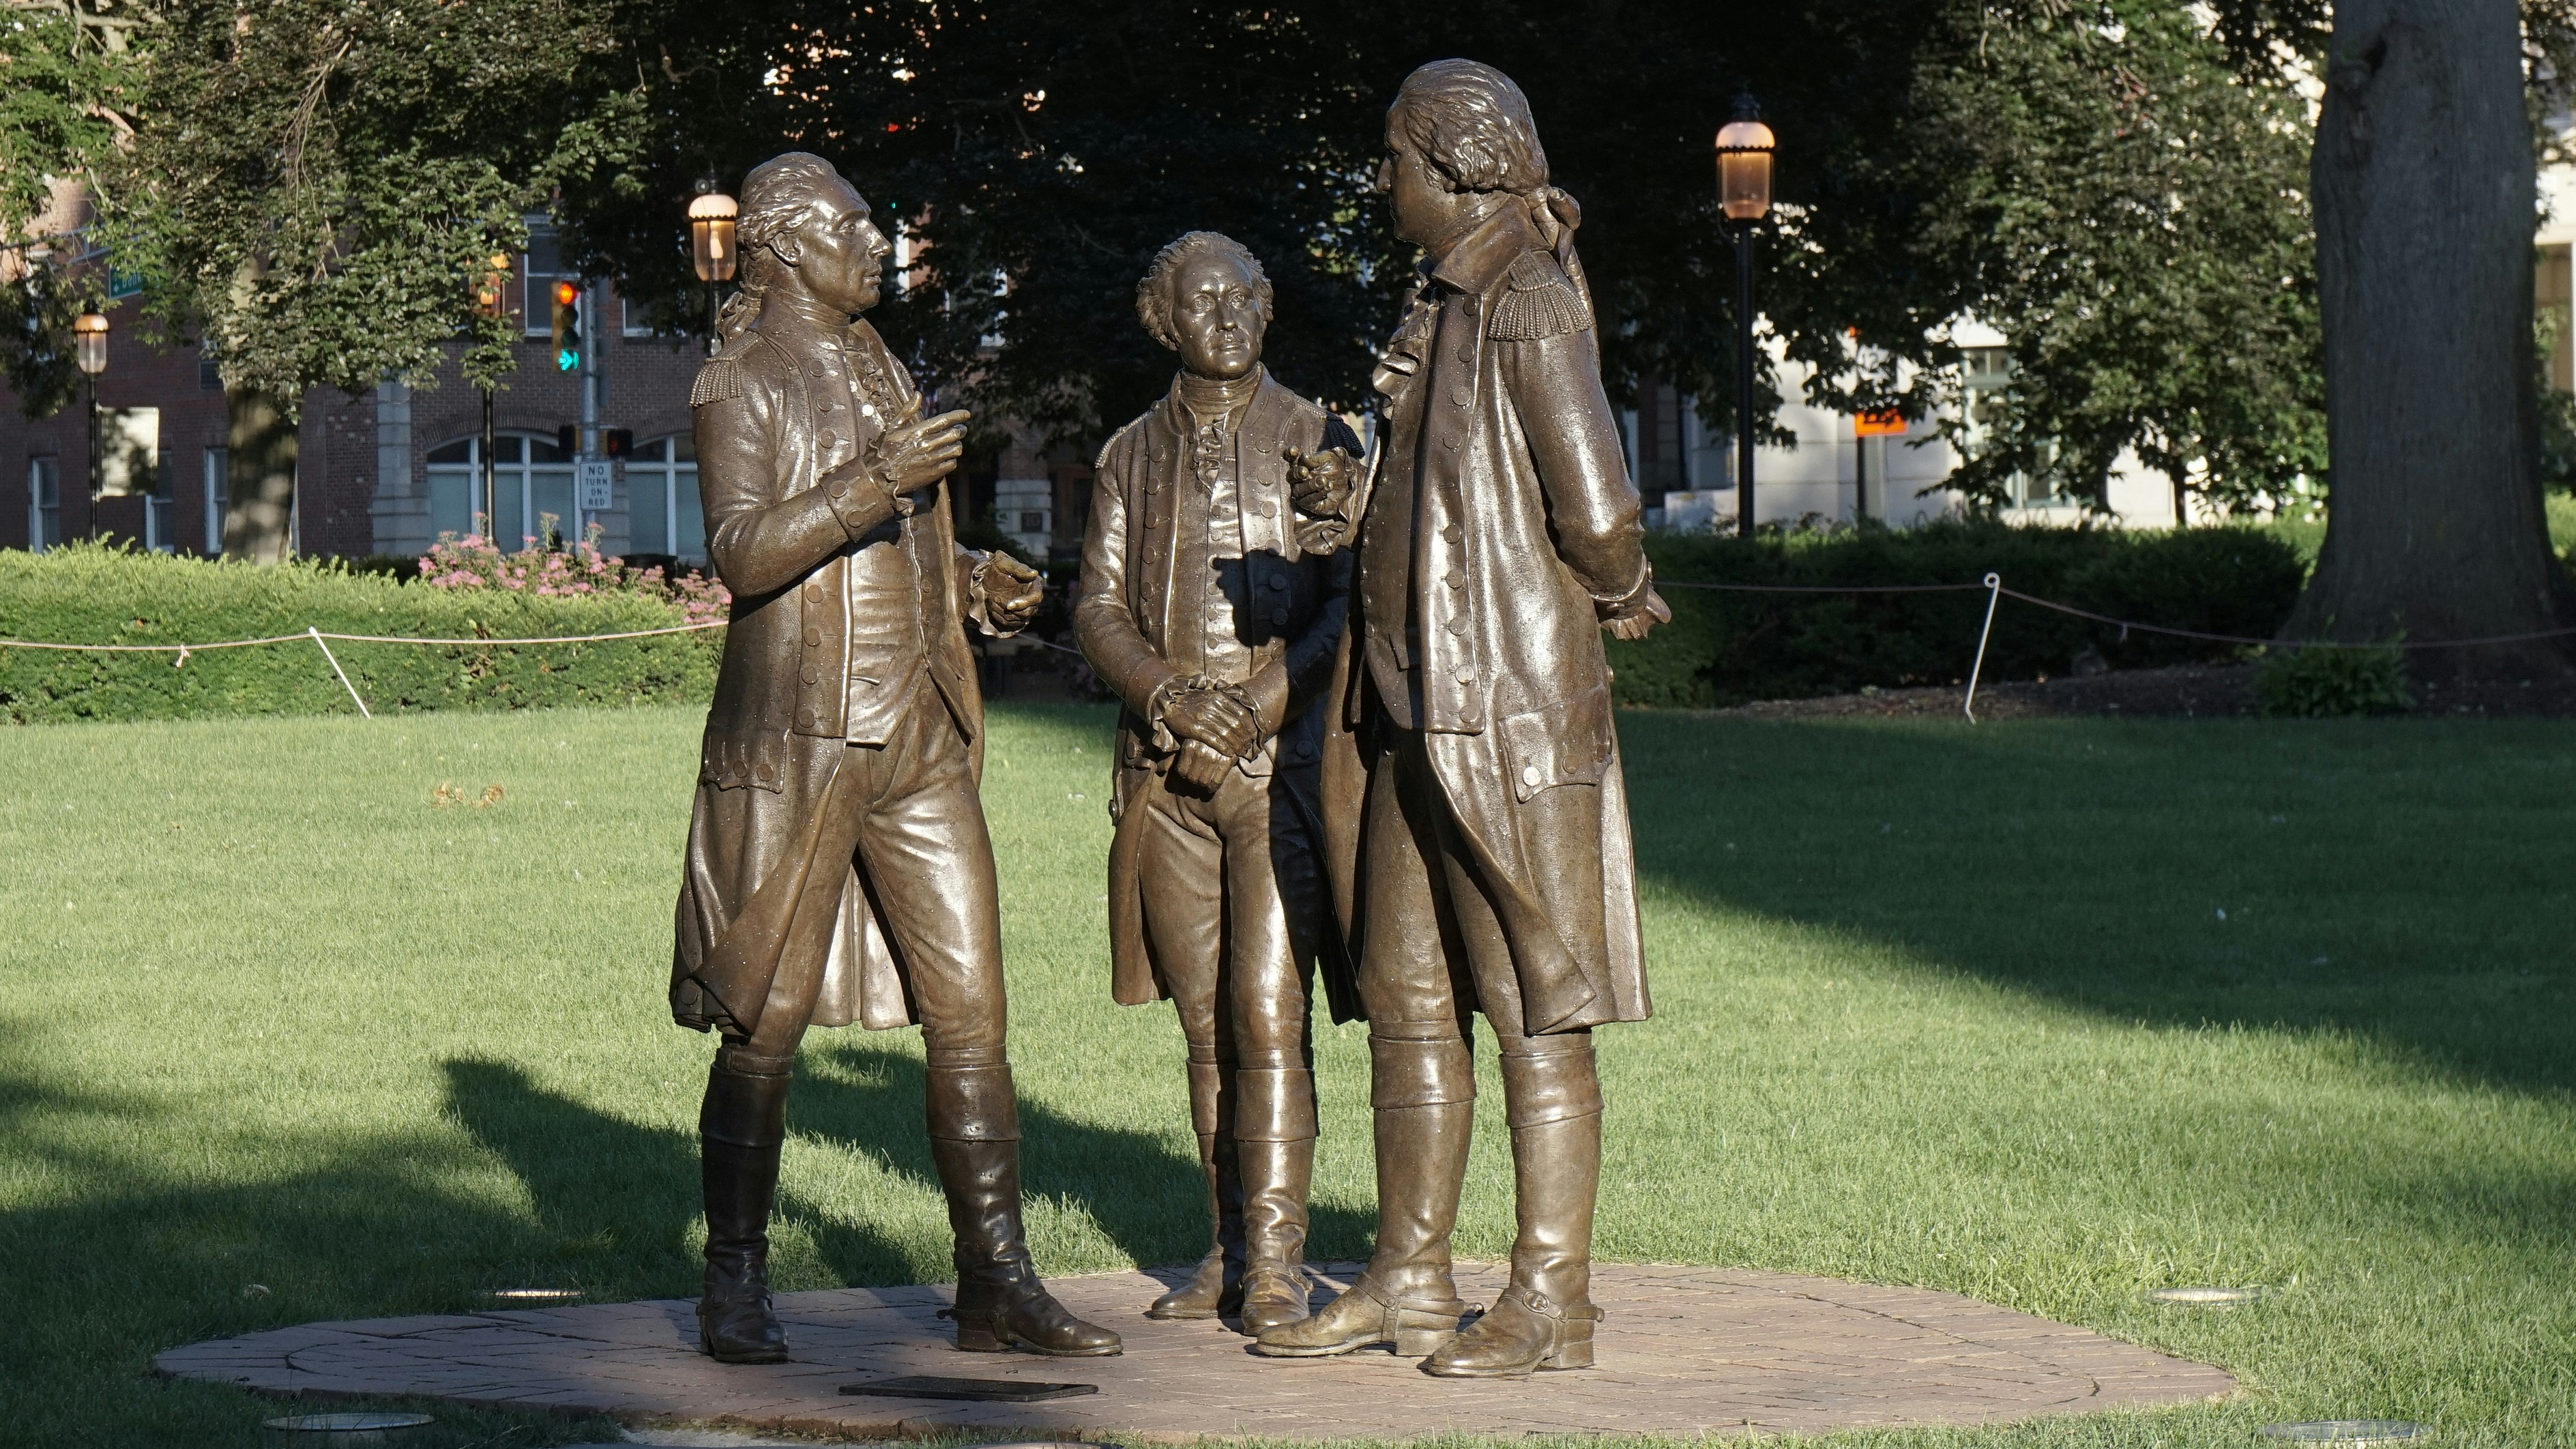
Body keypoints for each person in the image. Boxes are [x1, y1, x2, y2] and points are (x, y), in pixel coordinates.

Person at [1251, 60, 1669, 1379]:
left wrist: (1623, 588)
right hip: (1407, 704)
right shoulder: (1443, 300)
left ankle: (1552, 1299)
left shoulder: (1527, 298)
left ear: (1455, 166)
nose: (1383, 180)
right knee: (1406, 993)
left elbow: (1593, 500)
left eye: (1395, 158)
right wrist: (1350, 497)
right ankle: (1408, 1275)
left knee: (1535, 1000)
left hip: (1502, 709)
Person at [669, 151, 1119, 1365]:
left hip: (919, 732)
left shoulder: (880, 360)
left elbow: (898, 540)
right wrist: (879, 480)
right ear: (783, 246)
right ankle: (734, 1278)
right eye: (856, 227)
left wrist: (971, 581)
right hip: (807, 736)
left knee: (973, 1013)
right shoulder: (739, 378)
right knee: (763, 1020)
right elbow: (743, 553)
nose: (879, 246)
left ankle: (995, 1280)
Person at [1072, 231, 1360, 1335]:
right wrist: (1167, 697)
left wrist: (1255, 705)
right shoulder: (1128, 455)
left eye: (1245, 297)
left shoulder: (1317, 437)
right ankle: (1231, 1248)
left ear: (1268, 305)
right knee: (1204, 1024)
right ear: (1165, 321)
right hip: (1165, 774)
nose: (1228, 317)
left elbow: (1348, 605)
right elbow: (1098, 608)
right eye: (1203, 302)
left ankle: (1280, 1260)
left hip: (1277, 770)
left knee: (1268, 1012)